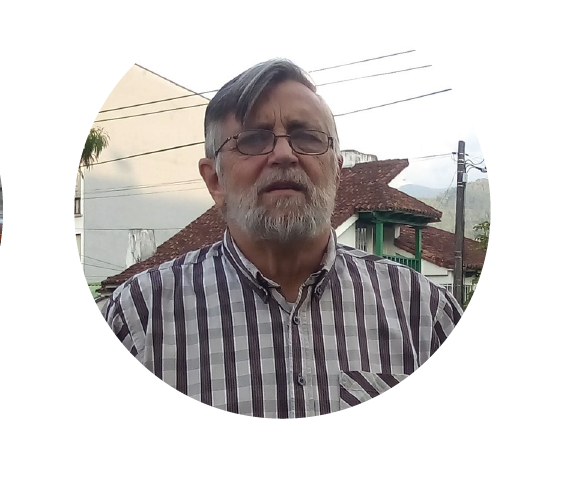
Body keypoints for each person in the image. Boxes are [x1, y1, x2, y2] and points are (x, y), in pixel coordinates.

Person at [104, 58, 463, 419]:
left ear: (337, 172)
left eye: (306, 137)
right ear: (215, 180)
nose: (284, 154)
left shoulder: (424, 313)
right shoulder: (140, 319)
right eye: (253, 139)